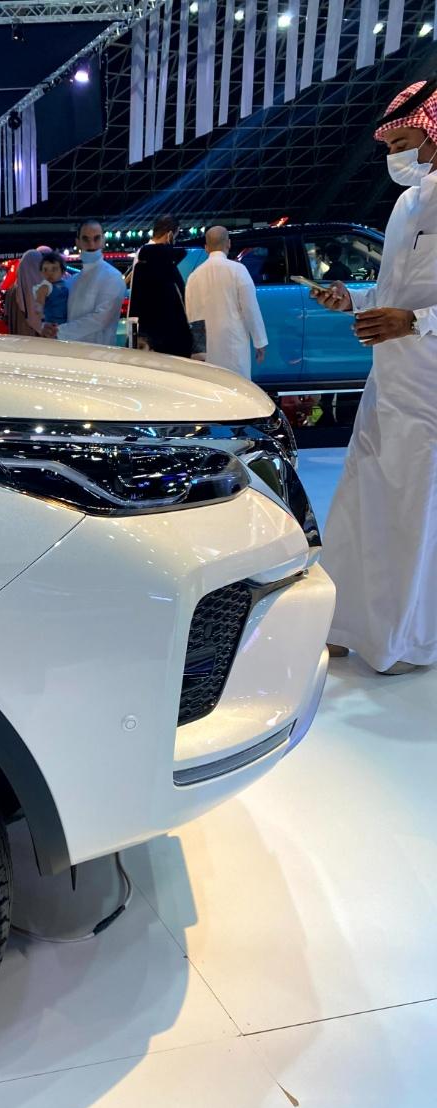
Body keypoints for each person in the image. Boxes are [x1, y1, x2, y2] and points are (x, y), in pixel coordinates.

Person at [315, 78, 437, 675]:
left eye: (402, 141)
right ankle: (344, 622)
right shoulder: (407, 203)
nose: (393, 155)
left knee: (411, 510)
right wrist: (353, 300)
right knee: (362, 498)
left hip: (429, 387)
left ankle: (401, 640)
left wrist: (415, 321)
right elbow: (394, 292)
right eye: (389, 145)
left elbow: (413, 309)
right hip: (386, 381)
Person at [184, 225, 268, 378]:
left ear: (206, 248)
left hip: (207, 349)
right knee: (237, 386)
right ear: (228, 243)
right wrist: (260, 341)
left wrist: (197, 352)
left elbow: (191, 317)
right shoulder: (238, 270)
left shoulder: (193, 277)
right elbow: (250, 309)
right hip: (234, 344)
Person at [42, 219, 125, 345]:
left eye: (96, 238)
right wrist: (46, 326)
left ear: (103, 241)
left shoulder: (113, 277)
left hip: (100, 353)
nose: (91, 245)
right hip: (69, 351)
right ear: (78, 242)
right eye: (86, 239)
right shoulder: (72, 280)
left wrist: (58, 332)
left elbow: (100, 319)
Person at [127, 215, 192, 357]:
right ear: (170, 235)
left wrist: (132, 336)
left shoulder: (142, 257)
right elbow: (183, 303)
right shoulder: (167, 262)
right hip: (170, 338)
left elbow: (134, 301)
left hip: (147, 337)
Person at [6, 246, 51, 336]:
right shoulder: (41, 290)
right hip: (38, 340)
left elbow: (6, 319)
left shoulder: (11, 291)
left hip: (18, 341)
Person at [36, 251, 70, 327]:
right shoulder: (46, 286)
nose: (49, 273)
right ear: (41, 272)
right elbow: (40, 301)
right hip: (52, 323)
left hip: (66, 322)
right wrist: (39, 309)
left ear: (63, 272)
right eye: (45, 270)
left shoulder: (65, 283)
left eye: (54, 269)